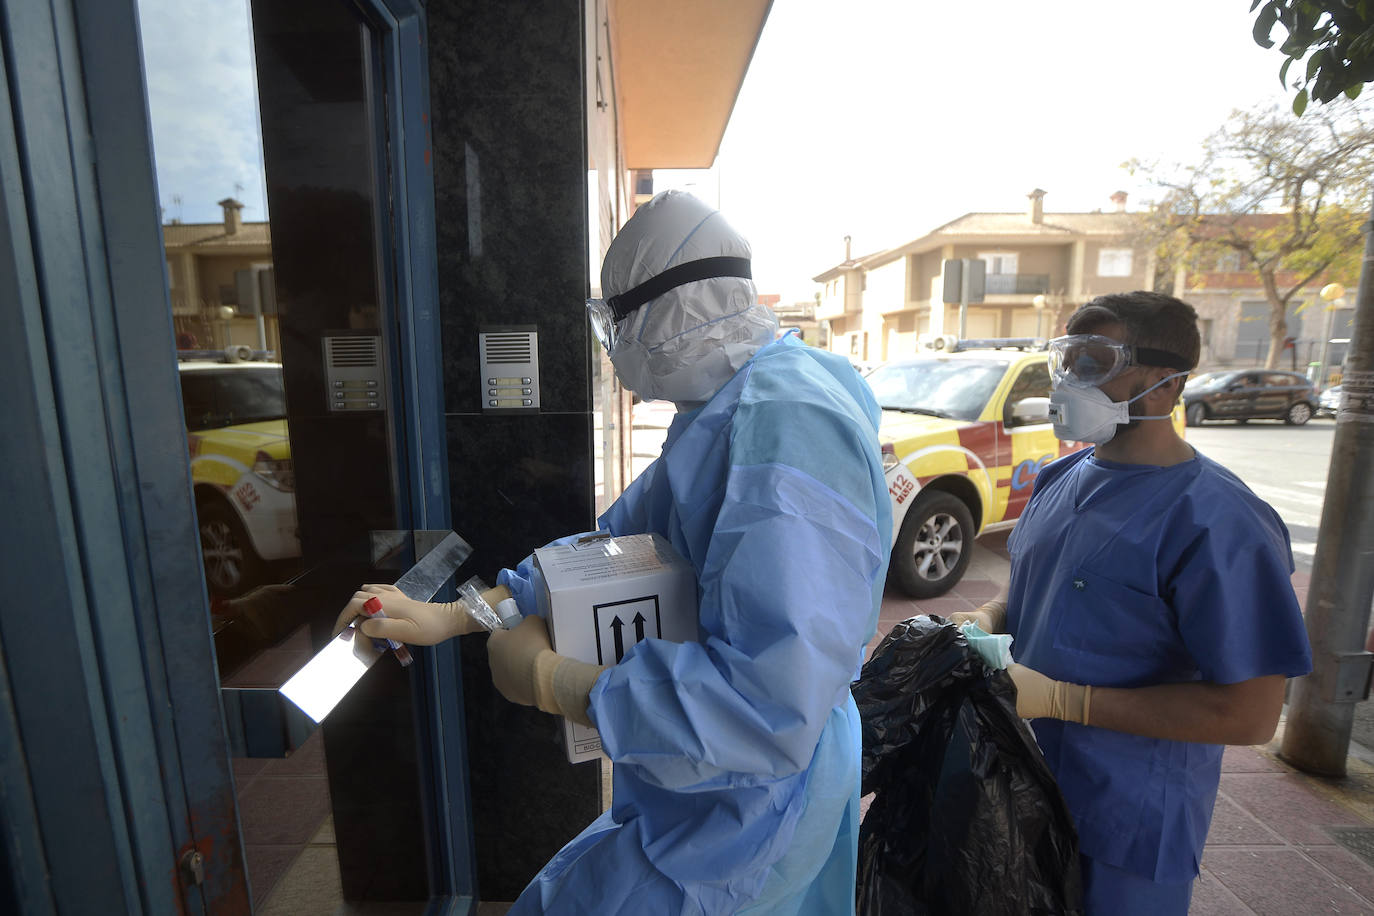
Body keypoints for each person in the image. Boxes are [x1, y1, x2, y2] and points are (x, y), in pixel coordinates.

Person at [335, 190, 892, 913]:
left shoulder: (787, 425)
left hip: (753, 808)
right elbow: (608, 549)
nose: (612, 342)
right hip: (710, 785)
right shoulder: (727, 412)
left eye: (614, 319)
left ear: (673, 311)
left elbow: (768, 705)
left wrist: (557, 682)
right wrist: (458, 616)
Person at [952, 290, 1312, 915]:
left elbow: (1250, 714)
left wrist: (1068, 701)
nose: (1068, 381)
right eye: (1063, 361)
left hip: (1128, 823)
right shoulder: (1060, 479)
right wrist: (992, 617)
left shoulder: (1217, 523)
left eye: (1093, 364)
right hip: (1021, 788)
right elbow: (1043, 579)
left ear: (1167, 386)